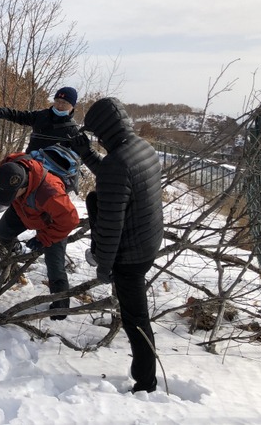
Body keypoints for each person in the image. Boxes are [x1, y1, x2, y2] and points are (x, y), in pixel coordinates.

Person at [72, 97, 164, 393]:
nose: (97, 139)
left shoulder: (118, 162)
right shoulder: (142, 149)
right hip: (148, 241)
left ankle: (146, 383)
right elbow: (115, 180)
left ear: (106, 130)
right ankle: (145, 377)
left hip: (130, 256)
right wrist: (86, 153)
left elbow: (111, 227)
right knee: (94, 198)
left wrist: (104, 265)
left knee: (136, 320)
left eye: (97, 134)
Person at [0, 152, 80, 319]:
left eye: (11, 194)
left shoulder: (50, 192)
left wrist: (43, 238)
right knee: (2, 233)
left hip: (50, 223)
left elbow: (70, 220)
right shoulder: (9, 165)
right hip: (22, 209)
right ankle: (14, 254)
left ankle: (60, 308)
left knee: (55, 266)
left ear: (22, 187)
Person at [0, 86, 80, 152]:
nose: (59, 105)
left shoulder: (73, 131)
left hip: (53, 173)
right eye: (57, 101)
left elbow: (81, 157)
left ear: (73, 106)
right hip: (30, 165)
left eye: (64, 103)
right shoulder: (41, 116)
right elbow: (18, 115)